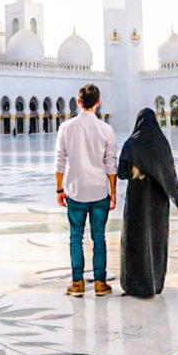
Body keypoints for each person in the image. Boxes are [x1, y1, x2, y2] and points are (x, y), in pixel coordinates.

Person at [55, 83, 117, 297]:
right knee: (98, 237)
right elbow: (111, 164)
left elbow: (60, 161)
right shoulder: (106, 129)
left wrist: (58, 190)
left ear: (78, 101)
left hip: (75, 190)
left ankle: (78, 283)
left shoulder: (66, 127)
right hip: (99, 191)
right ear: (98, 102)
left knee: (76, 237)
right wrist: (114, 193)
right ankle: (100, 283)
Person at [118, 107, 178, 298]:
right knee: (155, 239)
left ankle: (135, 284)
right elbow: (170, 175)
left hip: (137, 198)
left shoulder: (131, 144)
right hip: (158, 200)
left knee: (136, 237)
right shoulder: (161, 144)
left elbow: (121, 173)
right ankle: (155, 282)